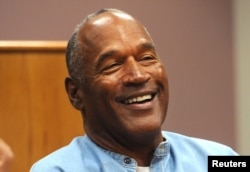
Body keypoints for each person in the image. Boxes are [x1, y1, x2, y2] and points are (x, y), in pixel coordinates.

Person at [30, 8, 238, 172]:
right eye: (112, 65)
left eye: (147, 58)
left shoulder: (220, 159)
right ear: (76, 94)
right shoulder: (56, 170)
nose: (138, 76)